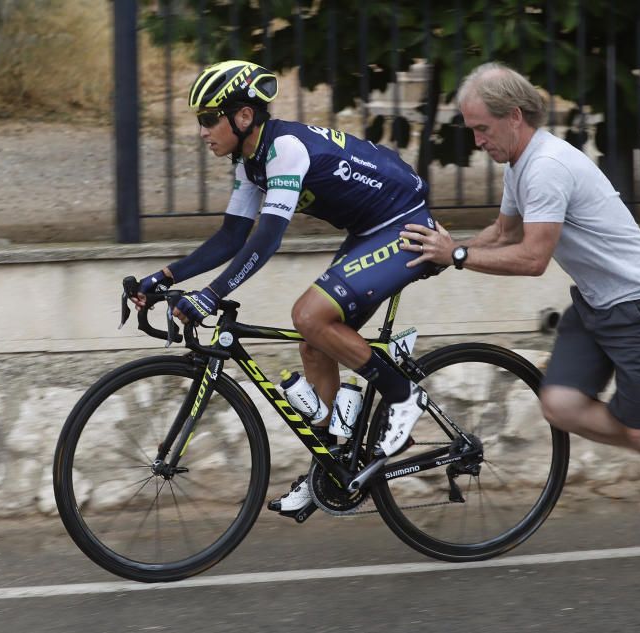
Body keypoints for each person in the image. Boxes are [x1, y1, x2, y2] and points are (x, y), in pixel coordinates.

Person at [400, 61, 640, 561]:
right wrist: (447, 249)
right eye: (472, 129)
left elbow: (533, 258)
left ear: (514, 117)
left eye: (482, 128)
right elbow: (504, 234)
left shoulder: (547, 168)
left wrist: (457, 256)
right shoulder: (521, 164)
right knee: (560, 404)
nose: (477, 141)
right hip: (596, 301)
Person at [132, 60, 435, 517]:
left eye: (209, 119)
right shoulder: (250, 161)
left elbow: (268, 237)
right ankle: (337, 465)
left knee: (308, 316)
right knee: (315, 346)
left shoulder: (285, 149)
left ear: (244, 117)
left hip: (403, 225)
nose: (202, 131)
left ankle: (402, 396)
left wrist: (211, 296)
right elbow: (232, 236)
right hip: (370, 228)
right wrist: (167, 277)